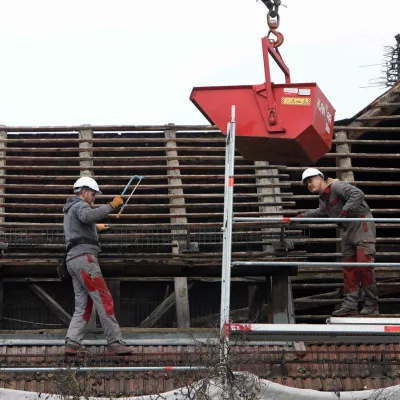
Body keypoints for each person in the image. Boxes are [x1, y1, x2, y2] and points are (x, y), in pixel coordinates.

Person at [63, 176, 131, 355]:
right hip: (85, 260)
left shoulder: (70, 209)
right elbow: (87, 215)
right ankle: (115, 342)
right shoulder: (80, 205)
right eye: (93, 194)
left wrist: (97, 228)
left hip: (73, 261)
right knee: (104, 299)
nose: (94, 198)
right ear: (84, 192)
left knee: (83, 305)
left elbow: (82, 225)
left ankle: (72, 343)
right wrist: (111, 206)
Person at [297, 168, 379, 316]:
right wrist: (301, 217)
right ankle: (350, 305)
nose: (309, 185)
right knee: (348, 268)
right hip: (347, 230)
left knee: (364, 264)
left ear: (320, 179)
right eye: (307, 183)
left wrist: (345, 211)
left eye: (311, 181)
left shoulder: (336, 186)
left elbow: (358, 194)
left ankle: (371, 305)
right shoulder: (323, 199)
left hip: (361, 224)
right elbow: (320, 212)